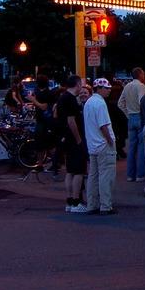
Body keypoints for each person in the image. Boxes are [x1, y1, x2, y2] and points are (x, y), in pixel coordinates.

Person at [84, 78, 117, 215]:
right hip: (103, 144)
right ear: (99, 89)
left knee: (93, 176)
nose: (109, 90)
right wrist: (110, 141)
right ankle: (105, 205)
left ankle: (92, 204)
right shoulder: (100, 103)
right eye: (107, 88)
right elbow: (103, 125)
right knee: (106, 176)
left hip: (92, 144)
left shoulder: (89, 102)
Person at [56, 76, 88, 213]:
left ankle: (69, 201)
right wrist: (79, 139)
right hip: (74, 139)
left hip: (65, 138)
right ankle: (76, 202)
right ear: (77, 84)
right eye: (80, 84)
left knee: (69, 171)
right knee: (79, 171)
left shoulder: (62, 98)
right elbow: (71, 121)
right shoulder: (70, 99)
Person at [118, 68, 145, 182]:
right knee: (141, 146)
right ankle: (140, 174)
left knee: (131, 147)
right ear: (140, 75)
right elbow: (141, 101)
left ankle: (130, 174)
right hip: (139, 116)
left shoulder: (127, 86)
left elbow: (120, 103)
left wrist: (128, 114)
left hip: (131, 117)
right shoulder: (140, 86)